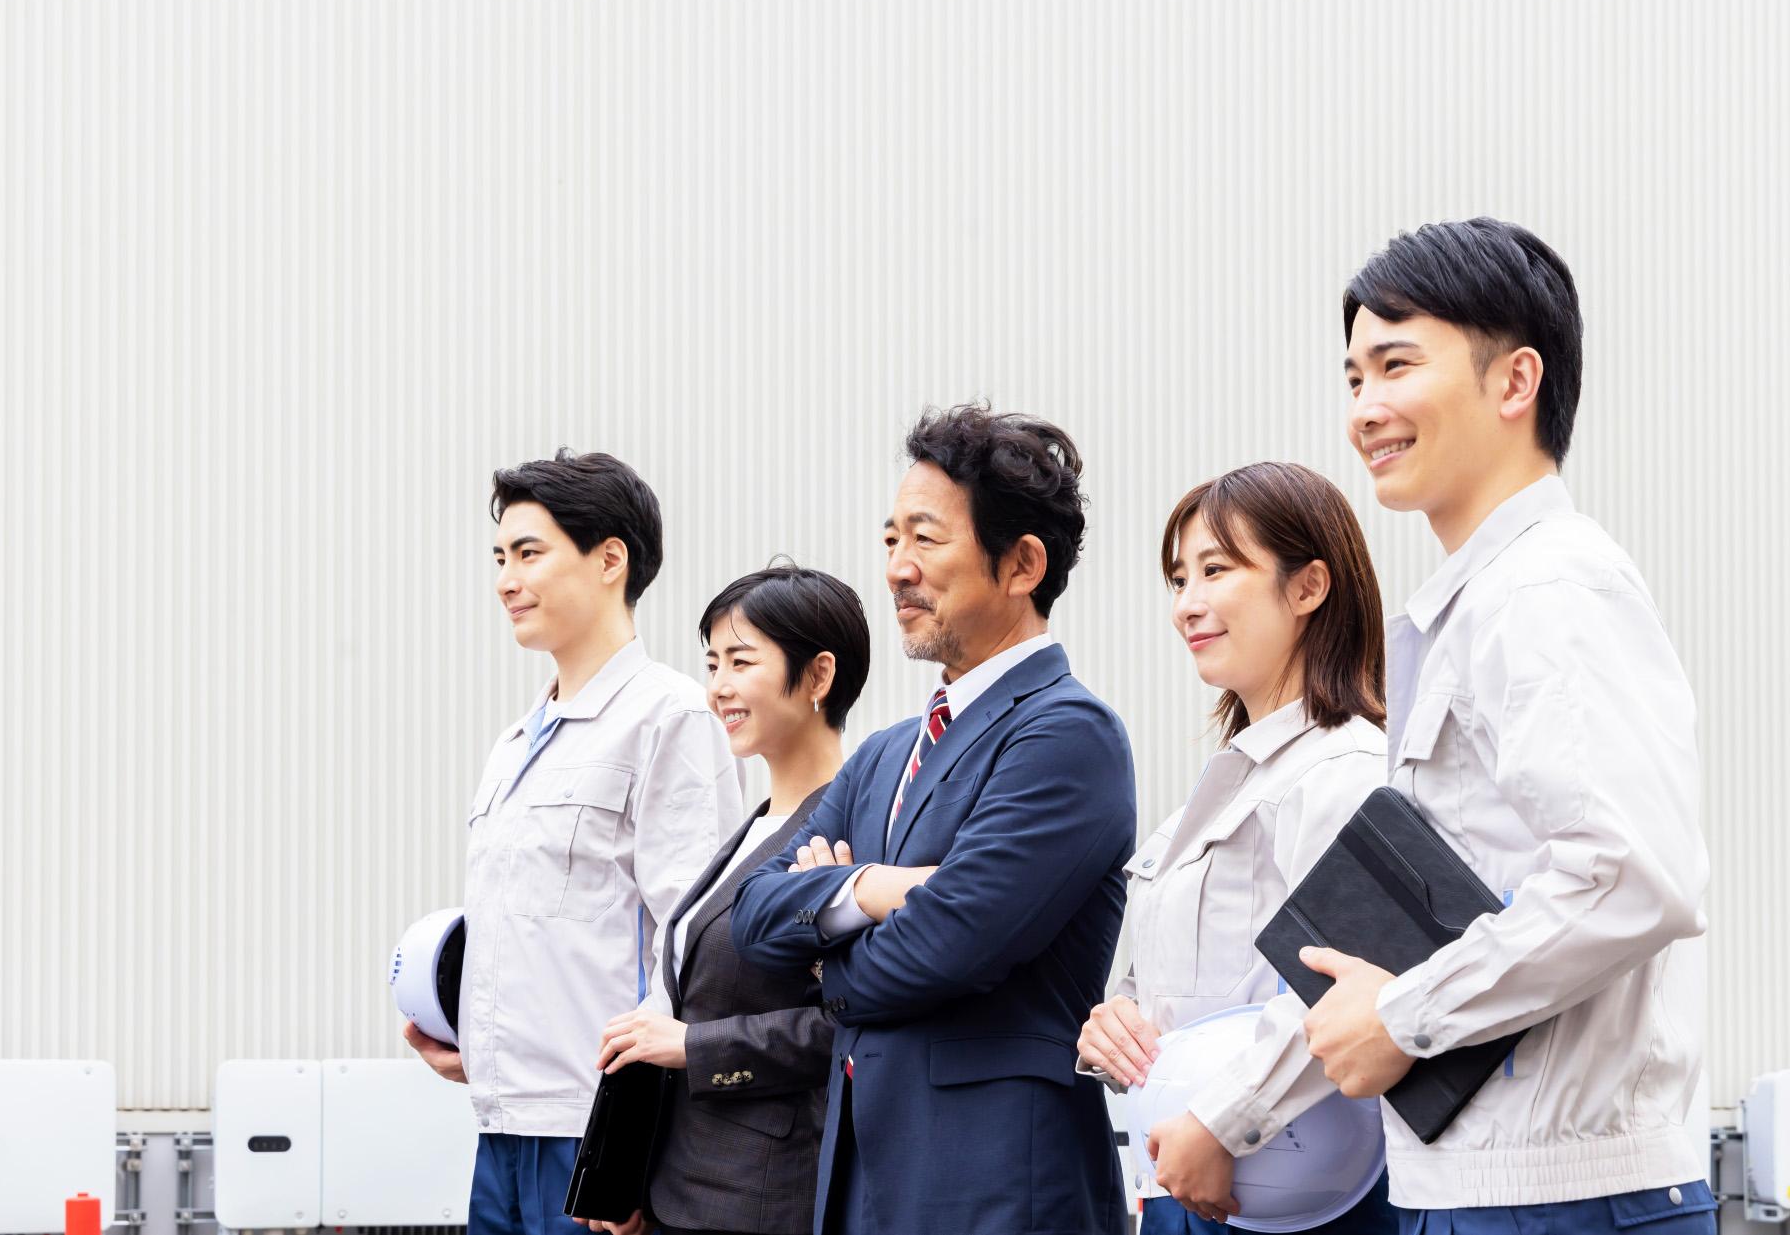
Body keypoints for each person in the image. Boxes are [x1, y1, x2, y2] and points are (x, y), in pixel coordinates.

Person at [1299, 219, 1713, 1232]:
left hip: (1567, 1195)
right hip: (1493, 1185)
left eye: (1397, 364)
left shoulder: (1546, 590)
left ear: (1515, 381)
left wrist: (1406, 1015)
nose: (1365, 408)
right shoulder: (1481, 600)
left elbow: (1634, 874)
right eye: (1353, 378)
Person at [731, 405, 1136, 1235]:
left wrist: (823, 956)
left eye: (925, 538)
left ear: (1022, 564)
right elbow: (753, 914)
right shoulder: (884, 753)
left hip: (995, 1188)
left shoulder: (1067, 734)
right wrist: (871, 889)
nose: (896, 569)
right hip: (861, 1184)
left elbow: (949, 942)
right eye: (890, 539)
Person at [404, 449, 742, 1235]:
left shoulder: (669, 717)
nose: (505, 580)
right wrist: (473, 1043)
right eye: (499, 557)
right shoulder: (515, 742)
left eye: (529, 553)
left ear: (609, 560)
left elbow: (696, 943)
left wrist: (640, 1149)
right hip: (502, 1127)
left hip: (598, 1134)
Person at [1077, 461, 1398, 1235]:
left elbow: (1343, 987)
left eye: (1216, 570)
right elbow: (1171, 981)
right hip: (1190, 1177)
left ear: (1308, 586)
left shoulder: (1348, 768)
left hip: (1294, 1199)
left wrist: (1223, 1123)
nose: (1187, 603)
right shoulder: (1226, 784)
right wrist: (1115, 1022)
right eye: (1178, 578)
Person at [589, 564, 871, 1235]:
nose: (718, 686)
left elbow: (849, 1022)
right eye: (712, 663)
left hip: (764, 1198)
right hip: (678, 1188)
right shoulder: (752, 828)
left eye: (741, 661)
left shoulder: (854, 837)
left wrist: (695, 1045)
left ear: (819, 676)